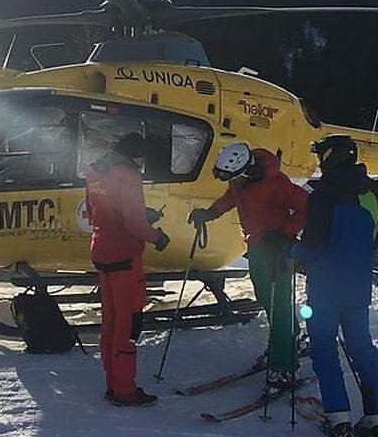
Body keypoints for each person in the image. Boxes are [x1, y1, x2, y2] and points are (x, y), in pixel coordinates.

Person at [291, 134, 378, 437]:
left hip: (325, 288)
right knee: (363, 348)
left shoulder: (321, 197)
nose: (319, 161)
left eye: (321, 155)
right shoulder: (369, 196)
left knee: (324, 351)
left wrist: (288, 249)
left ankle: (339, 417)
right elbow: (369, 237)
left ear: (331, 157)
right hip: (358, 287)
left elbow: (312, 246)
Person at [187, 143, 307, 390]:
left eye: (232, 177)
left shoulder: (277, 183)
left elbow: (308, 206)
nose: (230, 182)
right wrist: (209, 213)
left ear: (245, 169)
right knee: (266, 299)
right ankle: (288, 341)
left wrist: (286, 233)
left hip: (277, 251)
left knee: (279, 306)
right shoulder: (238, 181)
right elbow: (231, 198)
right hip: (256, 248)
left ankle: (285, 365)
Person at [85, 132, 170, 406]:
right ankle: (124, 389)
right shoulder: (129, 175)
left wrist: (144, 214)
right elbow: (133, 223)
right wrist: (156, 236)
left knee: (110, 321)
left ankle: (113, 380)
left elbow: (100, 209)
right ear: (137, 155)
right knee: (128, 322)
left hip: (101, 248)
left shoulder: (96, 170)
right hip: (124, 256)